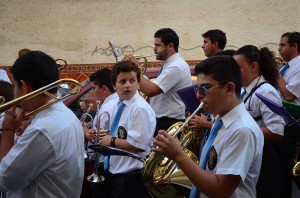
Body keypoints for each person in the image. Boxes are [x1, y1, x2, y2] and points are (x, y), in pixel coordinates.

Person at [152, 56, 264, 198]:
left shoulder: (242, 130)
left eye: (204, 89)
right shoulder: (220, 120)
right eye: (197, 89)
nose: (198, 95)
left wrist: (178, 154)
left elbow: (220, 191)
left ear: (229, 89)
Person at [0, 51, 85, 197]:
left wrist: (8, 129)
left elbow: (5, 179)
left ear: (24, 86)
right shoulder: (66, 115)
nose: (14, 92)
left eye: (14, 86)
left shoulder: (42, 128)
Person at [233, 45, 285, 198]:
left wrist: (239, 131)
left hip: (266, 157)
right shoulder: (247, 89)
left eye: (237, 68)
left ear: (253, 67)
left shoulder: (266, 91)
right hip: (254, 151)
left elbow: (276, 132)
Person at [101, 61, 156, 198]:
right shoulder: (115, 105)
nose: (128, 85)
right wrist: (99, 135)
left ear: (138, 84)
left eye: (132, 81)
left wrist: (110, 141)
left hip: (132, 177)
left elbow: (138, 145)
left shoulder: (139, 108)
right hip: (116, 172)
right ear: (114, 85)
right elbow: (114, 132)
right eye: (122, 81)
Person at [124, 28, 192, 136]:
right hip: (163, 120)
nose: (154, 49)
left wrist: (135, 68)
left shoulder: (175, 67)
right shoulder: (169, 64)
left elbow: (151, 90)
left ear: (170, 46)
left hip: (168, 122)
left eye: (158, 45)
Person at [82, 68, 118, 198]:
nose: (92, 92)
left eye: (94, 88)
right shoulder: (113, 103)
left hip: (103, 164)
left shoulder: (108, 107)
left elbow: (98, 139)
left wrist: (85, 131)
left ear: (104, 89)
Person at [277, 31, 300, 198]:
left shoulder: (299, 67)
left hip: (294, 123)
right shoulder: (288, 66)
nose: (279, 49)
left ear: (295, 46)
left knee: (289, 170)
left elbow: (289, 95)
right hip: (284, 122)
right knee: (282, 170)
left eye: (283, 45)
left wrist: (276, 74)